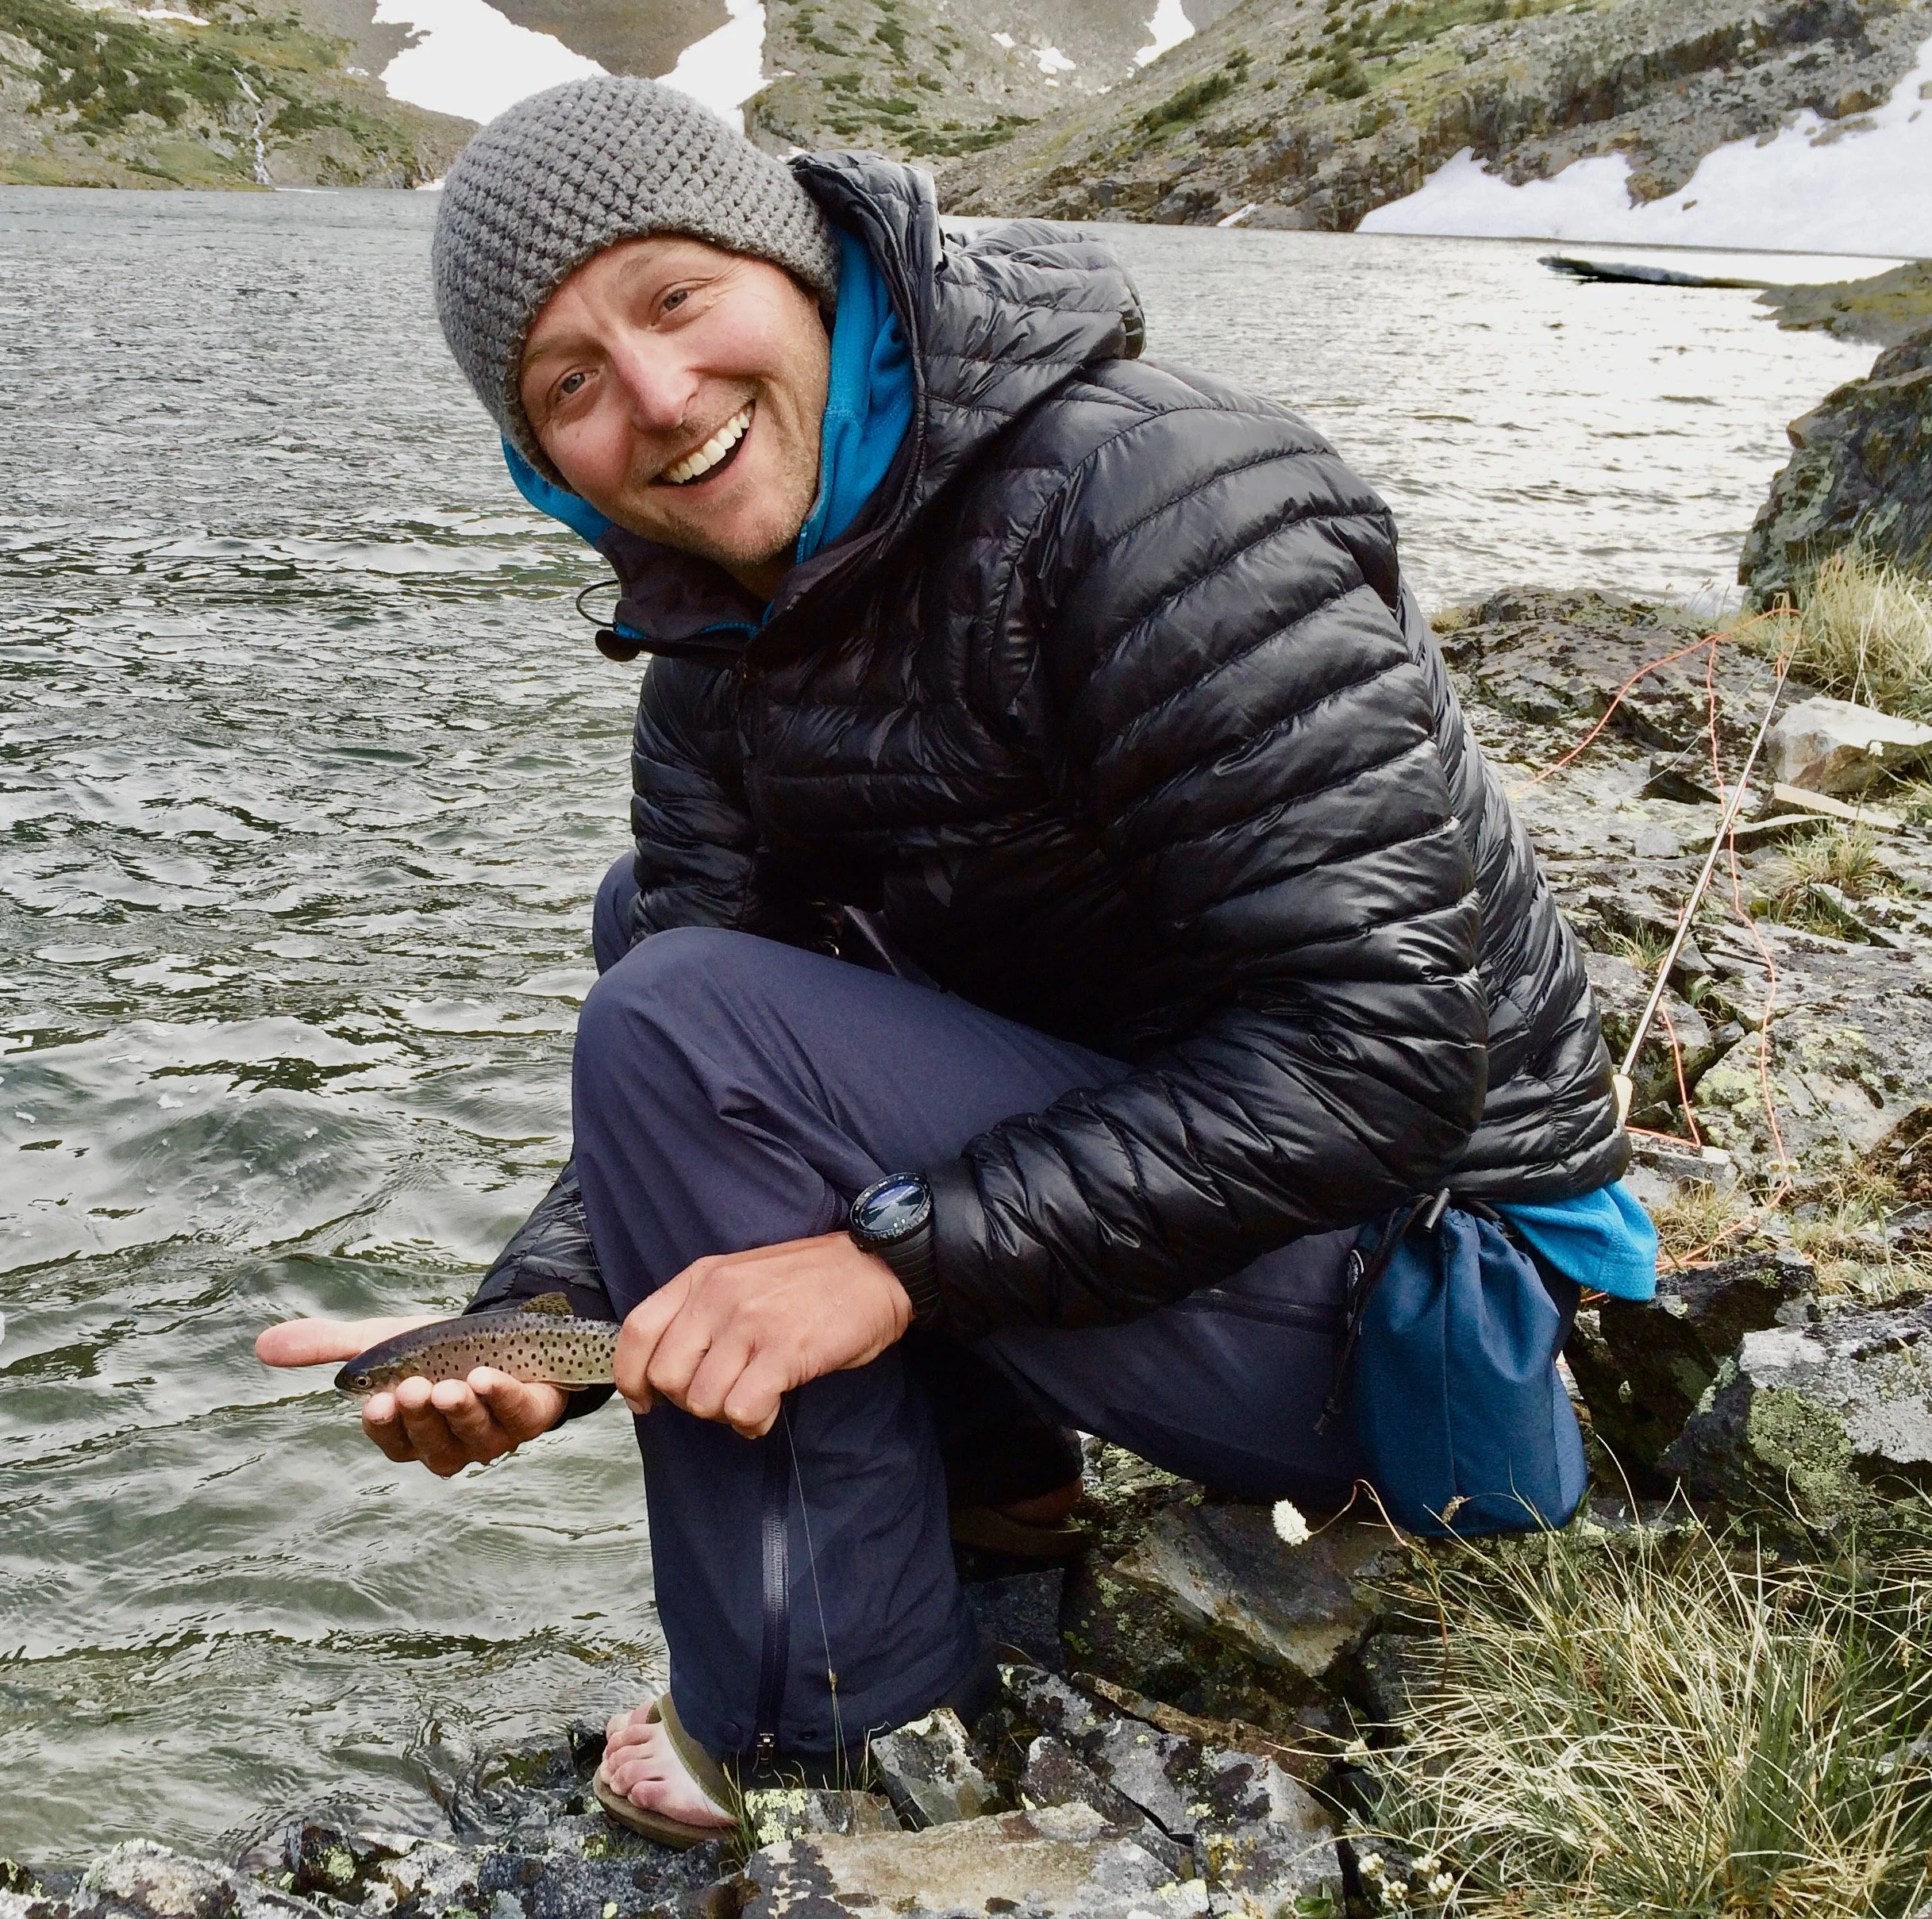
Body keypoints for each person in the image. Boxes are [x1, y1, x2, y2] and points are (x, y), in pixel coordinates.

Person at [258, 74, 1657, 1846]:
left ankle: (832, 1728)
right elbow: (700, 1036)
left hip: (1467, 1329)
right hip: (1246, 1247)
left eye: (677, 300)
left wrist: (884, 1272)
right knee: (661, 940)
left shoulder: (1155, 498)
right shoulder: (717, 657)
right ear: (543, 462)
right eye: (569, 385)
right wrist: (540, 1331)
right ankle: (994, 1511)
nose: (658, 400)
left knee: (684, 1012)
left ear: (810, 273)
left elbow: (1382, 1048)